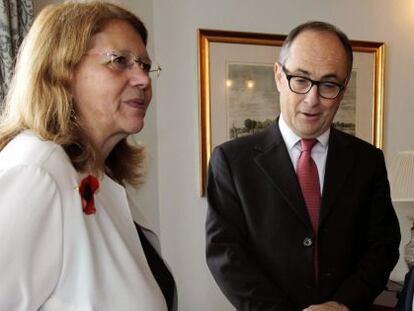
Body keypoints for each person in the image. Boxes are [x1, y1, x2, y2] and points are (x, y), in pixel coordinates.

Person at [206, 21, 401, 311]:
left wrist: (343, 304)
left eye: (329, 85)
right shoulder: (231, 161)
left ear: (343, 90)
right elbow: (226, 256)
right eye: (300, 79)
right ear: (278, 76)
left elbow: (382, 246)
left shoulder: (367, 161)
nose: (312, 100)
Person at [0, 2, 176, 310]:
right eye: (119, 61)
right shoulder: (36, 170)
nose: (144, 80)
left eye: (145, 66)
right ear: (62, 70)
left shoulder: (99, 177)